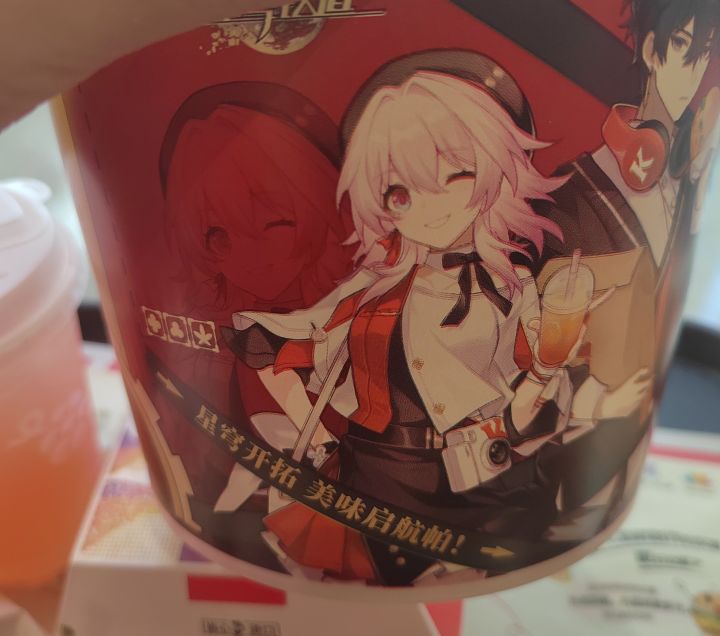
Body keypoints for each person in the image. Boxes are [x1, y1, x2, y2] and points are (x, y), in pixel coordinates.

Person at [223, 54, 650, 586]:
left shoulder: (509, 288)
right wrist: (321, 443)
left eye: (458, 174)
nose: (432, 205)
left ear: (496, 171)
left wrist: (589, 398)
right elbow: (276, 346)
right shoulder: (372, 289)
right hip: (379, 483)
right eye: (400, 193)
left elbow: (532, 395)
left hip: (483, 477)